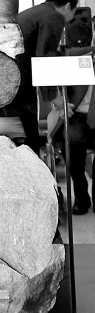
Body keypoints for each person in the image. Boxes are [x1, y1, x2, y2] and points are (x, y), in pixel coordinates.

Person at [12, 0, 79, 154]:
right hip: (21, 83)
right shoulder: (54, 16)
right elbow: (44, 57)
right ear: (68, 6)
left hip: (12, 78)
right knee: (29, 142)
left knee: (22, 138)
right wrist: (54, 97)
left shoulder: (36, 12)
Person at [50, 79, 95, 215]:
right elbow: (46, 85)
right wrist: (60, 102)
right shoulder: (78, 64)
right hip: (76, 114)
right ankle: (81, 196)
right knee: (71, 141)